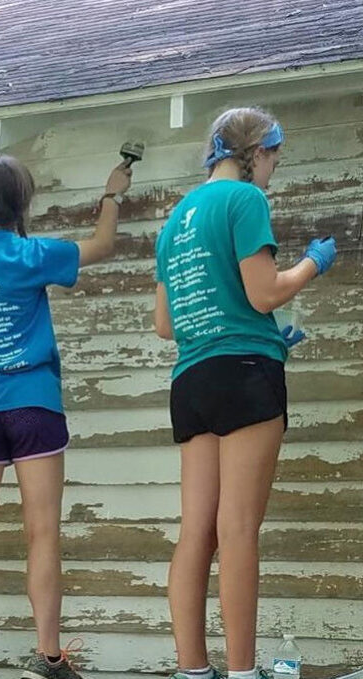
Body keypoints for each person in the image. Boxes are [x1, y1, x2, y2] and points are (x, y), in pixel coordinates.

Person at [0, 154, 132, 679]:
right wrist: (112, 194)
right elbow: (101, 247)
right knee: (42, 533)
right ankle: (48, 657)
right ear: (21, 203)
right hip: (33, 402)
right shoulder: (29, 252)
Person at [155, 107, 337, 679]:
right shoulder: (246, 200)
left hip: (192, 381)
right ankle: (240, 673)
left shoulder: (175, 219)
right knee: (236, 530)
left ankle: (192, 670)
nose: (275, 168)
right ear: (253, 152)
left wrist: (246, 328)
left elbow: (166, 323)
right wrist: (313, 262)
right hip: (246, 373)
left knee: (196, 534)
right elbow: (264, 293)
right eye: (274, 156)